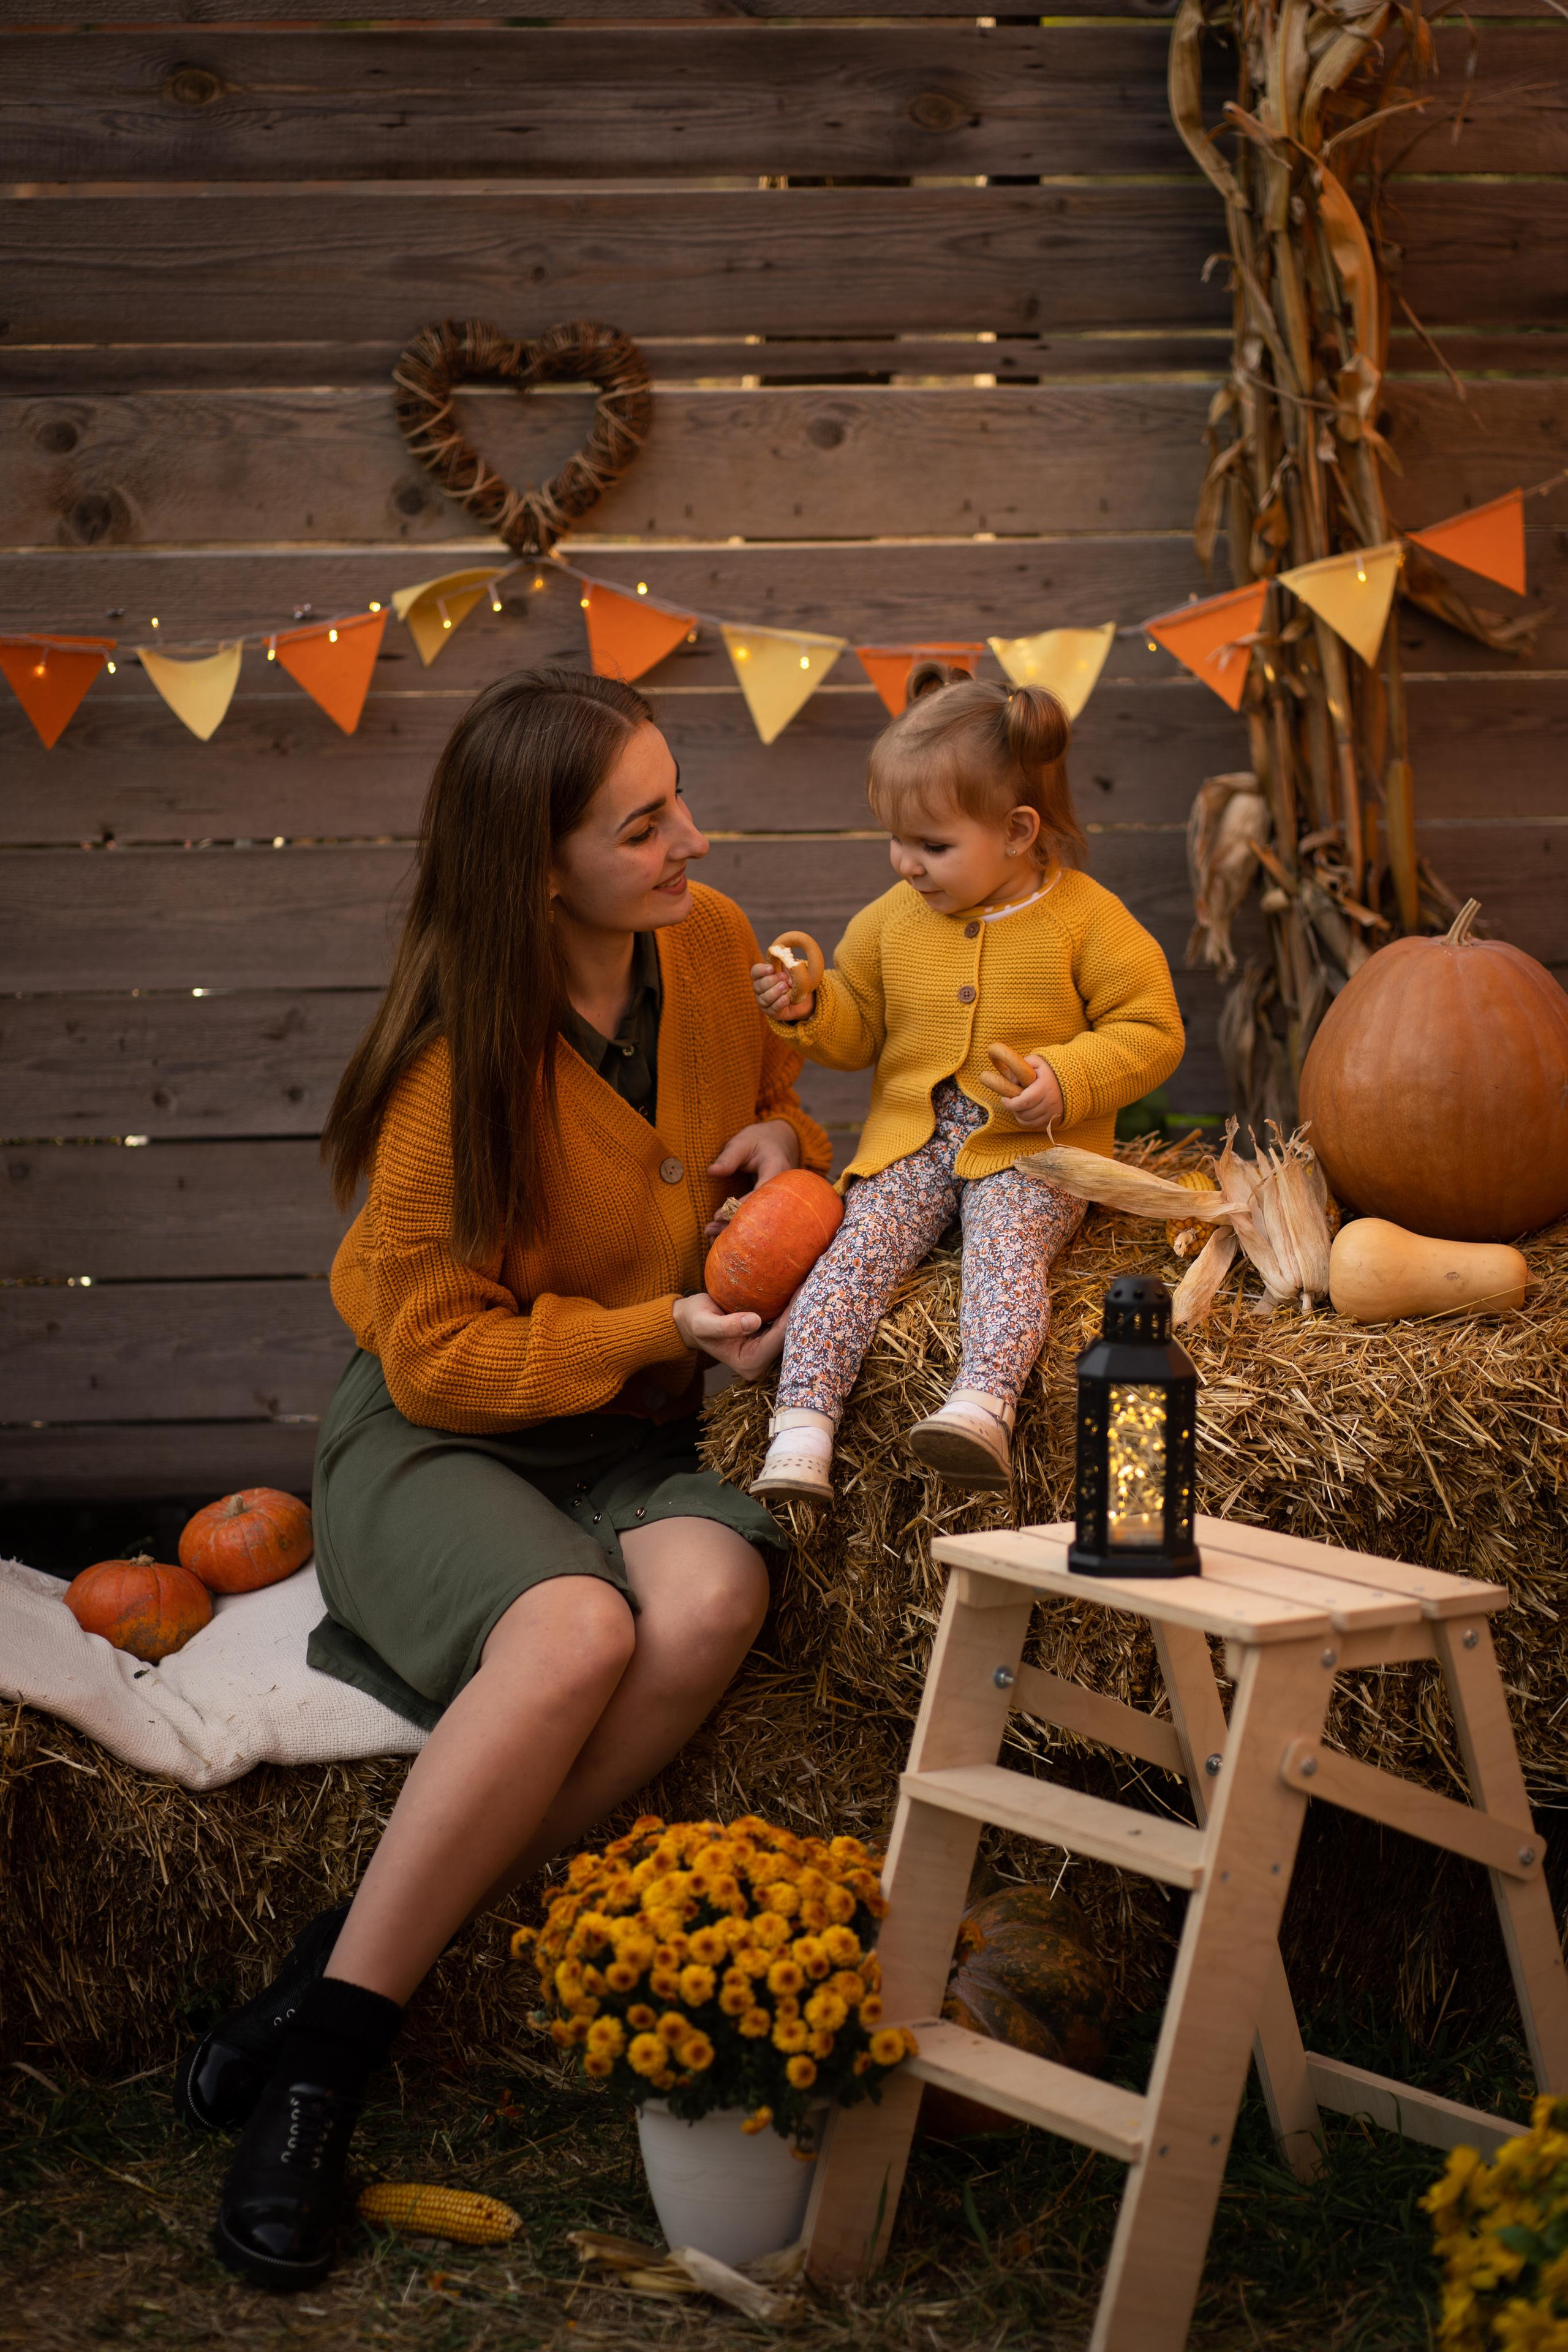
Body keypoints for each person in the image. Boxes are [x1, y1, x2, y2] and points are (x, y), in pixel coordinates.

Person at [178, 668, 829, 2290]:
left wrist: (785, 1148)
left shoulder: (706, 942)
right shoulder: (451, 1072)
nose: (693, 836)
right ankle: (324, 2085)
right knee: (573, 1637)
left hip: (631, 1436)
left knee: (711, 1599)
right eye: (647, 823)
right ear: (544, 870)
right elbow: (433, 1356)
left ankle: (334, 1972)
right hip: (442, 1432)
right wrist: (646, 1325)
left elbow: (758, 1106)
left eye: (677, 799)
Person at [750, 665, 1184, 1502]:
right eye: (895, 838)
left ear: (1019, 831)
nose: (905, 864)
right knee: (853, 1258)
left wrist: (1067, 1076)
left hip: (1028, 1149)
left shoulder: (1087, 920)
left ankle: (983, 1403)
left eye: (933, 846)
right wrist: (811, 1006)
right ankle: (801, 1426)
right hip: (914, 1141)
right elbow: (860, 1029)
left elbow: (1152, 1031)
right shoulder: (889, 921)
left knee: (1003, 1252)